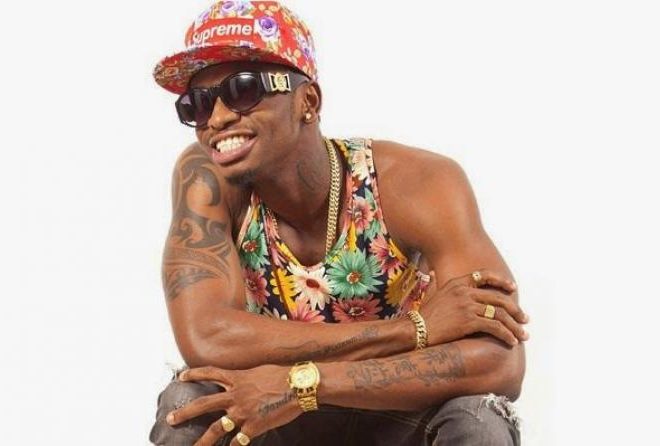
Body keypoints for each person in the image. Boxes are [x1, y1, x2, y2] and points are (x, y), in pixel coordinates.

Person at [149, 1, 529, 445]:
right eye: (196, 104)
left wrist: (305, 384)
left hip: (396, 408)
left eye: (243, 90)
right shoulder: (207, 176)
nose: (216, 119)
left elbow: (499, 361)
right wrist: (414, 329)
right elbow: (207, 337)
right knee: (187, 403)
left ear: (308, 101)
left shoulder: (417, 183)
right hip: (267, 409)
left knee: (478, 419)